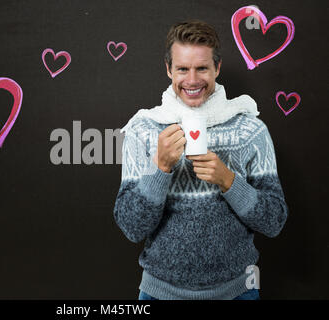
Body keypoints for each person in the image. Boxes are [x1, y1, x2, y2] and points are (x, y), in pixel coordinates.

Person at [113, 20, 288, 300]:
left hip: (237, 292)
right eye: (182, 69)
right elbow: (132, 228)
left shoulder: (250, 130)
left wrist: (229, 182)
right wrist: (160, 169)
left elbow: (274, 221)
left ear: (217, 68)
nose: (192, 80)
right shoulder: (143, 130)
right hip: (160, 293)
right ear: (169, 69)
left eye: (202, 68)